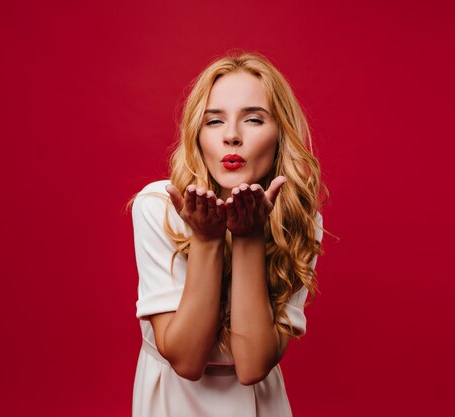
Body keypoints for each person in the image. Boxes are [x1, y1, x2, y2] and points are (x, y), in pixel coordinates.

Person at [128, 51, 327, 417]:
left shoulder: (300, 218)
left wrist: (249, 237)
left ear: (280, 134)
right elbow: (187, 361)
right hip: (173, 403)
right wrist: (207, 239)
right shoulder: (158, 205)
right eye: (214, 121)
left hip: (259, 406)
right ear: (197, 134)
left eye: (253, 119)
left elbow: (252, 367)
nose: (232, 137)